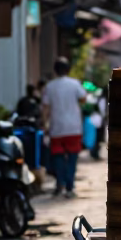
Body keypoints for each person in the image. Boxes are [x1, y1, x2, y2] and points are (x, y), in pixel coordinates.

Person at [41, 58, 87, 198]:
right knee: (72, 158)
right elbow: (83, 99)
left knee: (58, 157)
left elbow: (45, 108)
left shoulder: (50, 86)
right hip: (73, 127)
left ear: (55, 71)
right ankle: (69, 187)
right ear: (68, 69)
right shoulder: (75, 84)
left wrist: (44, 124)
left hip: (57, 127)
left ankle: (59, 184)